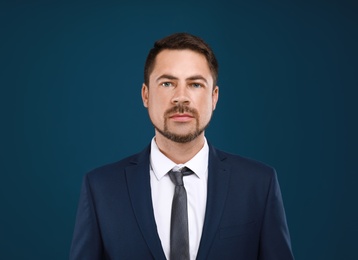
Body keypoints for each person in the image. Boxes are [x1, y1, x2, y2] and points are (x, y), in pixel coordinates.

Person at [70, 32, 294, 260]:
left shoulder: (258, 184)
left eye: (195, 84)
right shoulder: (101, 188)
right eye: (167, 83)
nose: (181, 98)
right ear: (145, 95)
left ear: (214, 97)